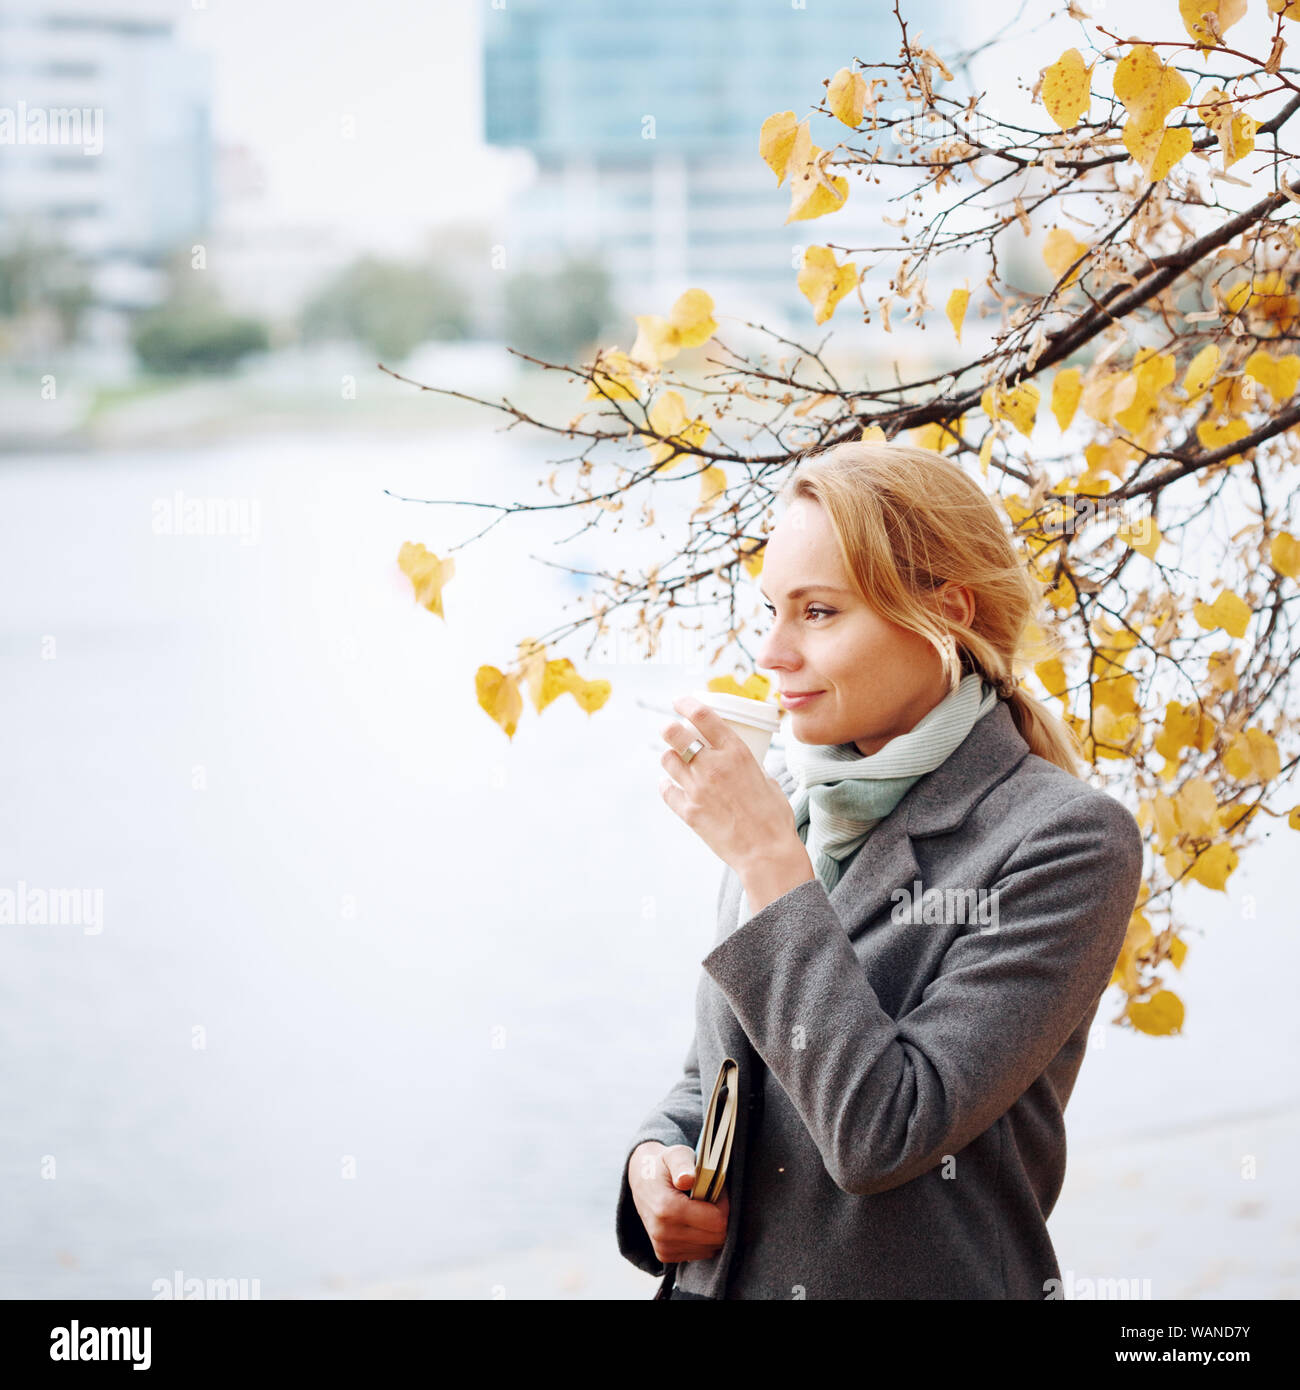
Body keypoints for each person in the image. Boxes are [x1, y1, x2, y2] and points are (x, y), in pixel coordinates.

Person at [617, 439, 1145, 1299]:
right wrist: (656, 1160)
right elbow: (717, 1070)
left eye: (818, 612)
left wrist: (764, 859)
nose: (772, 653)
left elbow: (887, 1133)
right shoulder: (792, 803)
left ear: (946, 616)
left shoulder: (1067, 841)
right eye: (771, 610)